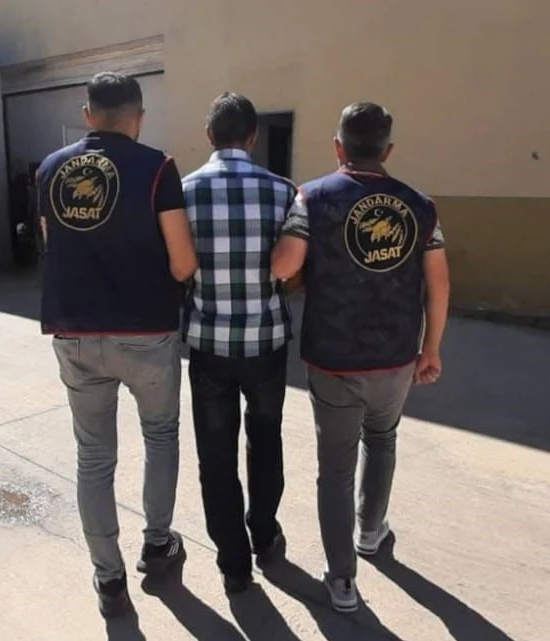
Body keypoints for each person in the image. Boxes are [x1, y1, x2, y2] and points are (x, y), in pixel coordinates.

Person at [271, 102, 450, 613]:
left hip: (332, 357)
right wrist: (430, 348)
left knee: (335, 467)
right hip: (395, 355)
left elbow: (284, 267)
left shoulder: (311, 197)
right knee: (383, 438)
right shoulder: (420, 206)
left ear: (338, 147)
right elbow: (438, 283)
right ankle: (371, 533)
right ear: (387, 150)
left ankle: (342, 579)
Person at [36, 72, 197, 619]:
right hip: (145, 331)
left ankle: (108, 578)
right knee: (160, 435)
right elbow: (182, 262)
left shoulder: (50, 169)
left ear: (87, 114)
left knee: (94, 456)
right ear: (139, 116)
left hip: (75, 332)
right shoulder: (158, 168)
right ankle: (157, 544)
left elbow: (51, 245)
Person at [182, 93, 300, 594]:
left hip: (209, 343)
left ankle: (233, 563)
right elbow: (293, 271)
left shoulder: (182, 193)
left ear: (209, 135)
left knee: (215, 453)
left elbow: (177, 268)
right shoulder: (285, 192)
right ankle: (265, 535)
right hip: (267, 342)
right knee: (266, 439)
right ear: (253, 137)